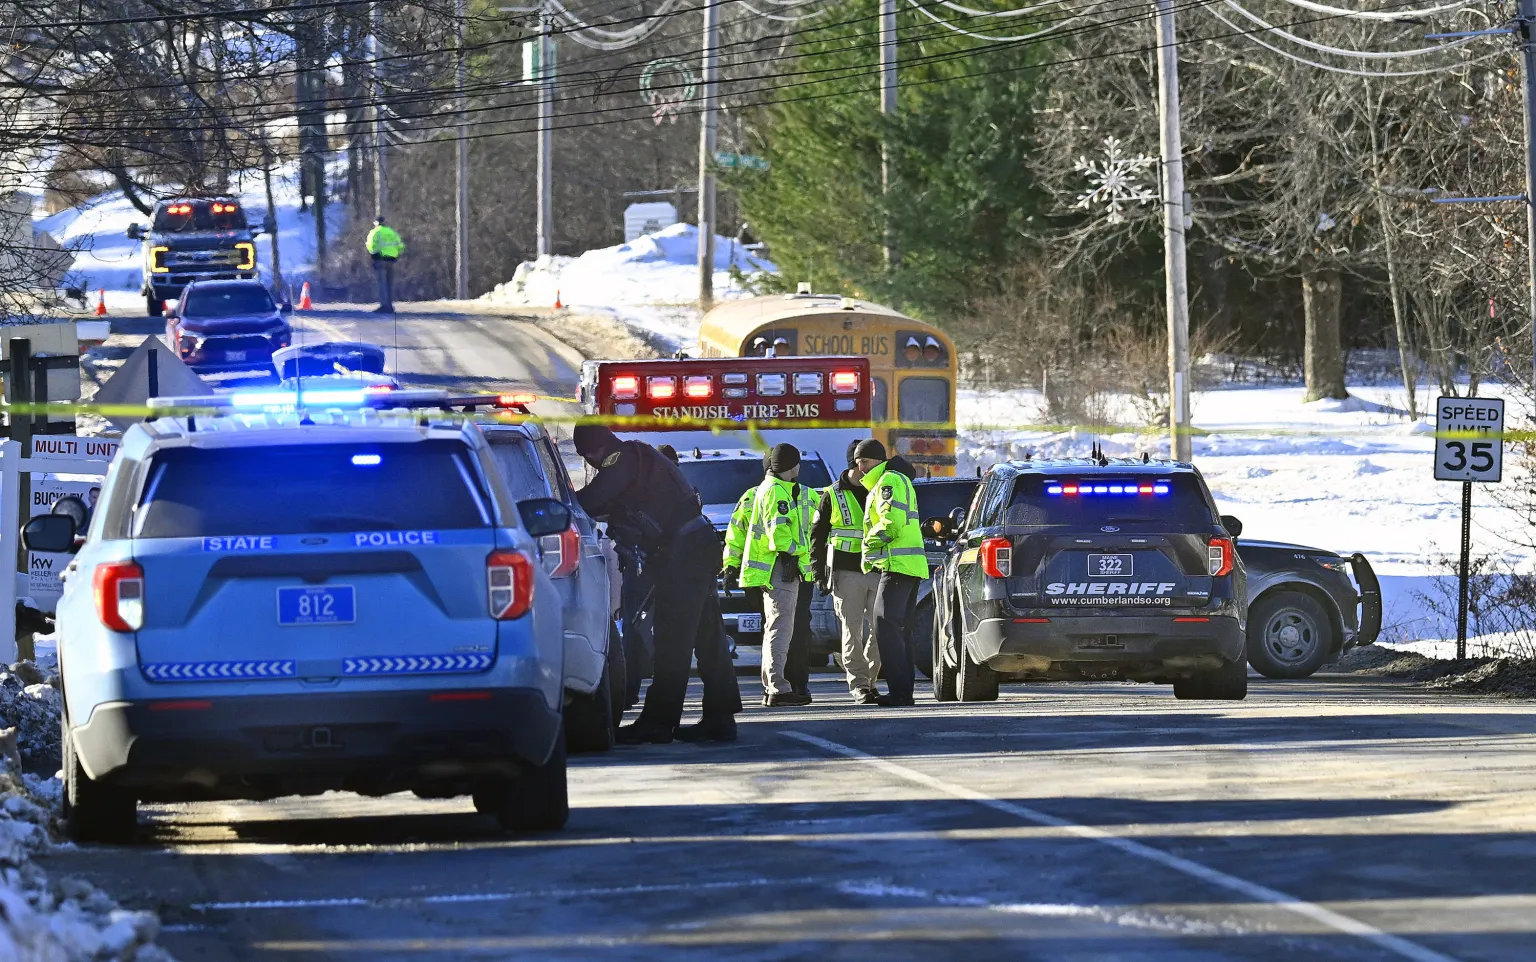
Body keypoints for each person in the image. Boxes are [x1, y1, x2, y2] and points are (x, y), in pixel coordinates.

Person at [573, 424, 742, 743]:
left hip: (683, 555)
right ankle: (720, 717)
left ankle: (659, 722)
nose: (590, 461)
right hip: (697, 547)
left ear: (594, 449)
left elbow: (591, 500)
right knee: (708, 637)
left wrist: (563, 499)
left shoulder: (622, 460)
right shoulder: (640, 455)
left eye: (587, 455)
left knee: (672, 639)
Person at [740, 444, 814, 707]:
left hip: (775, 569)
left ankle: (773, 687)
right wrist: (801, 553)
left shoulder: (768, 488)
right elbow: (780, 535)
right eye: (797, 462)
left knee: (776, 628)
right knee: (780, 631)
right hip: (782, 568)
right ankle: (778, 688)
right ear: (791, 466)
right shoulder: (777, 491)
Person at [854, 439, 926, 706]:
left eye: (864, 461)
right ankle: (903, 691)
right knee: (898, 629)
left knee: (885, 625)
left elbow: (890, 525)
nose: (861, 468)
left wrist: (868, 543)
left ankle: (899, 692)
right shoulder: (895, 479)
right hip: (906, 565)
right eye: (857, 462)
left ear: (878, 460)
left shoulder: (888, 481)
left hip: (898, 565)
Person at [812, 441, 881, 704]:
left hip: (877, 569)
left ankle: (870, 680)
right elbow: (817, 536)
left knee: (880, 630)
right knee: (852, 631)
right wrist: (819, 572)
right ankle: (860, 685)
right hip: (846, 572)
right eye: (864, 463)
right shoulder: (833, 494)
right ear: (856, 463)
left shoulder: (881, 489)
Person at [365, 217, 405, 313]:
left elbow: (370, 245)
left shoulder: (375, 232)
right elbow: (401, 246)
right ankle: (390, 305)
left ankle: (384, 306)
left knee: (382, 284)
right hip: (391, 260)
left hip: (380, 259)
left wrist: (374, 254)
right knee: (389, 284)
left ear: (376, 223)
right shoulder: (392, 232)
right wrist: (396, 254)